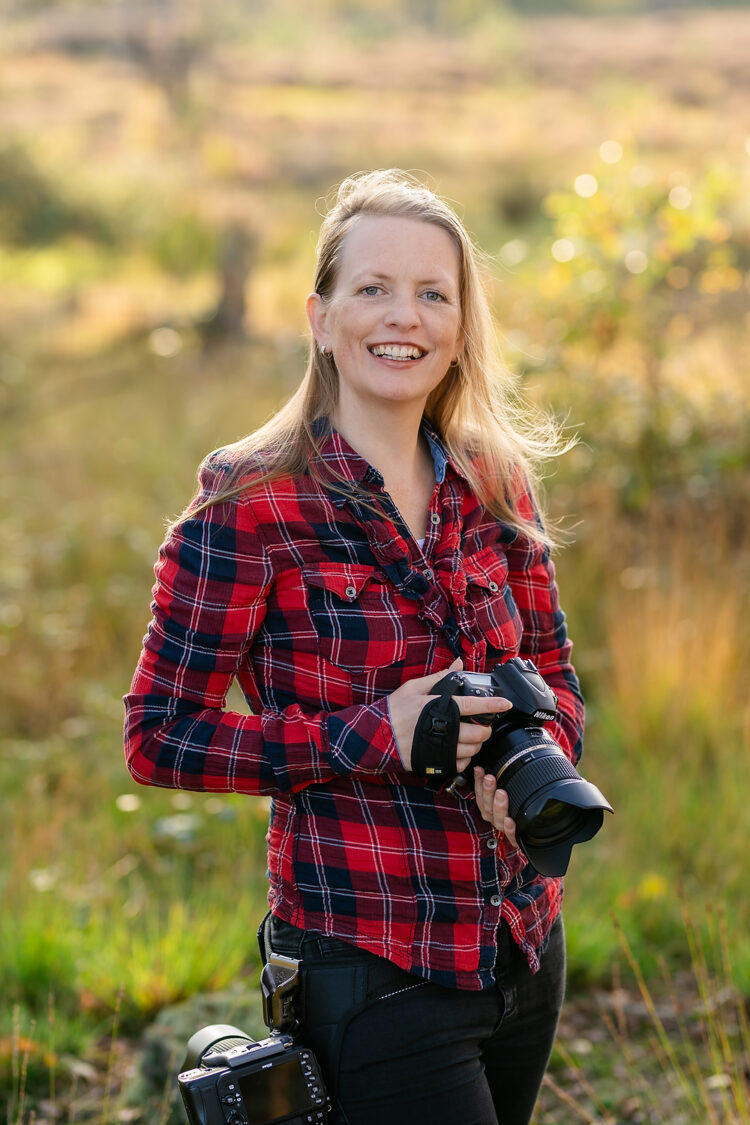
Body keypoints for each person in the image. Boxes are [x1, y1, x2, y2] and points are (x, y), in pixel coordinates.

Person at [124, 168, 585, 1125]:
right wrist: (372, 733)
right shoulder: (251, 501)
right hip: (369, 962)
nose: (402, 316)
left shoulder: (497, 481)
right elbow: (159, 736)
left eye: (432, 292)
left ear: (461, 326)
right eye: (372, 287)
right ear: (321, 315)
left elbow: (557, 672)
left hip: (524, 943)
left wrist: (538, 760)